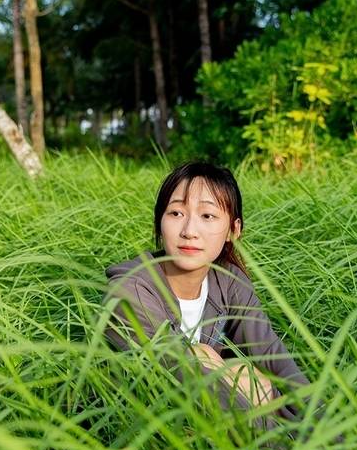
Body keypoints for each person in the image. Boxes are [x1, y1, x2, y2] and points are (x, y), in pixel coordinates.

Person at [102, 160, 312, 430]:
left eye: (207, 216)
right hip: (143, 432)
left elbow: (279, 364)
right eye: (176, 213)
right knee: (207, 365)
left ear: (233, 231)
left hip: (221, 428)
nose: (189, 231)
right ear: (160, 221)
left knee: (247, 376)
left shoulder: (229, 282)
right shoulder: (130, 292)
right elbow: (190, 389)